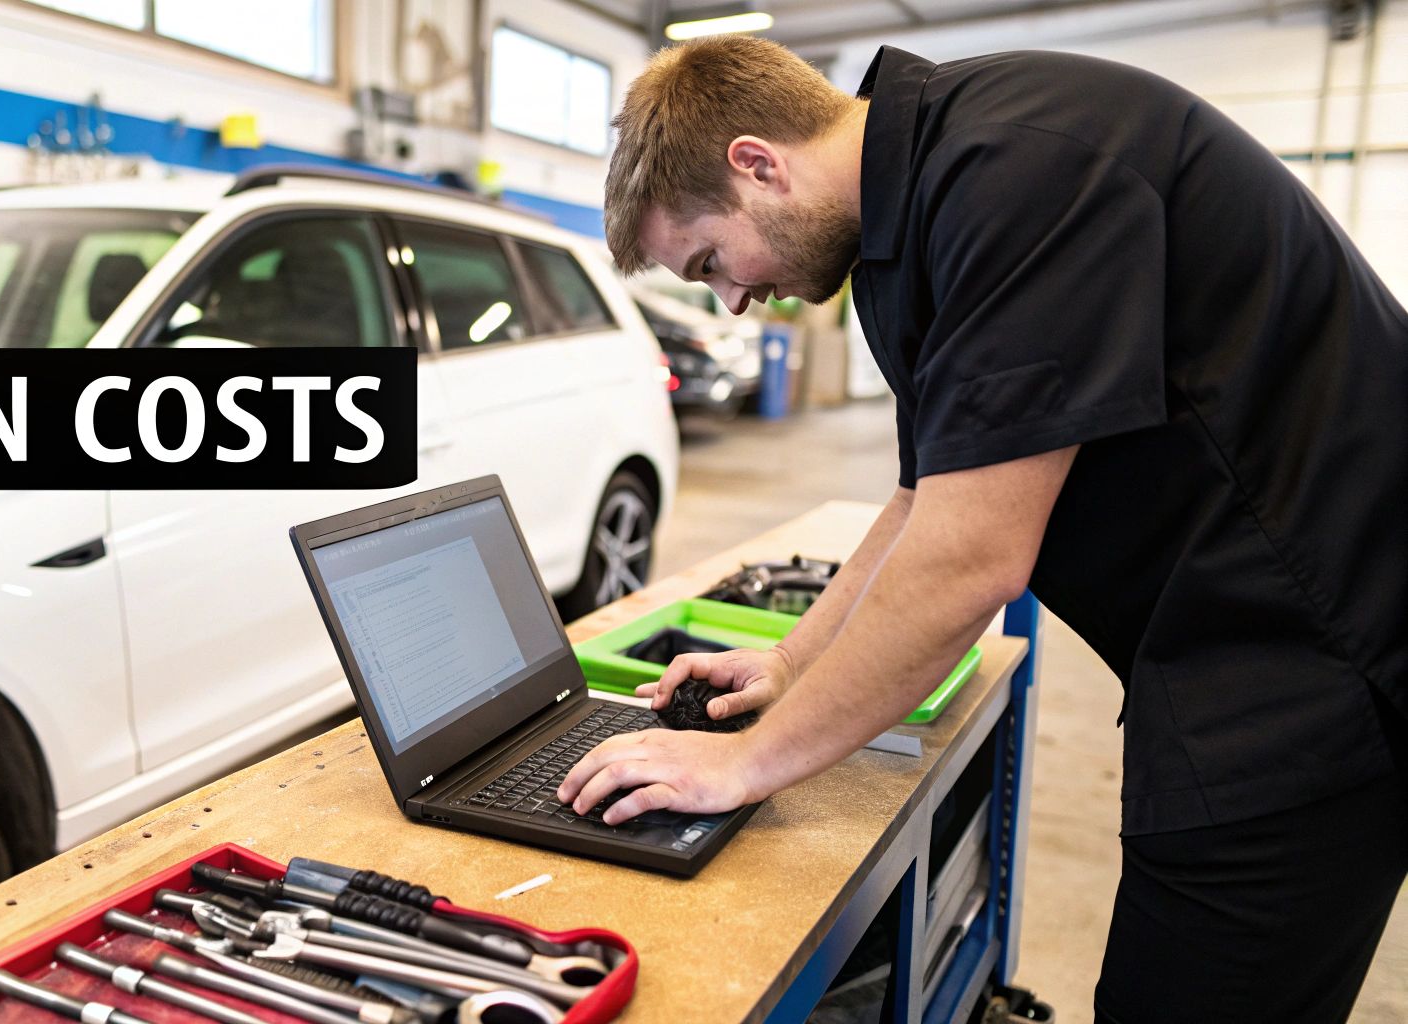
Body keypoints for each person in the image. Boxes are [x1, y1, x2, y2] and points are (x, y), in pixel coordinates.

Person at [556, 35, 1408, 1022]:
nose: (734, 300)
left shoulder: (1015, 169)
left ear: (757, 165)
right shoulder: (908, 219)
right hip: (1248, 639)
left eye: (710, 261)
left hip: (1323, 649)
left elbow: (970, 558)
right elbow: (924, 500)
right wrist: (791, 662)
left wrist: (745, 762)